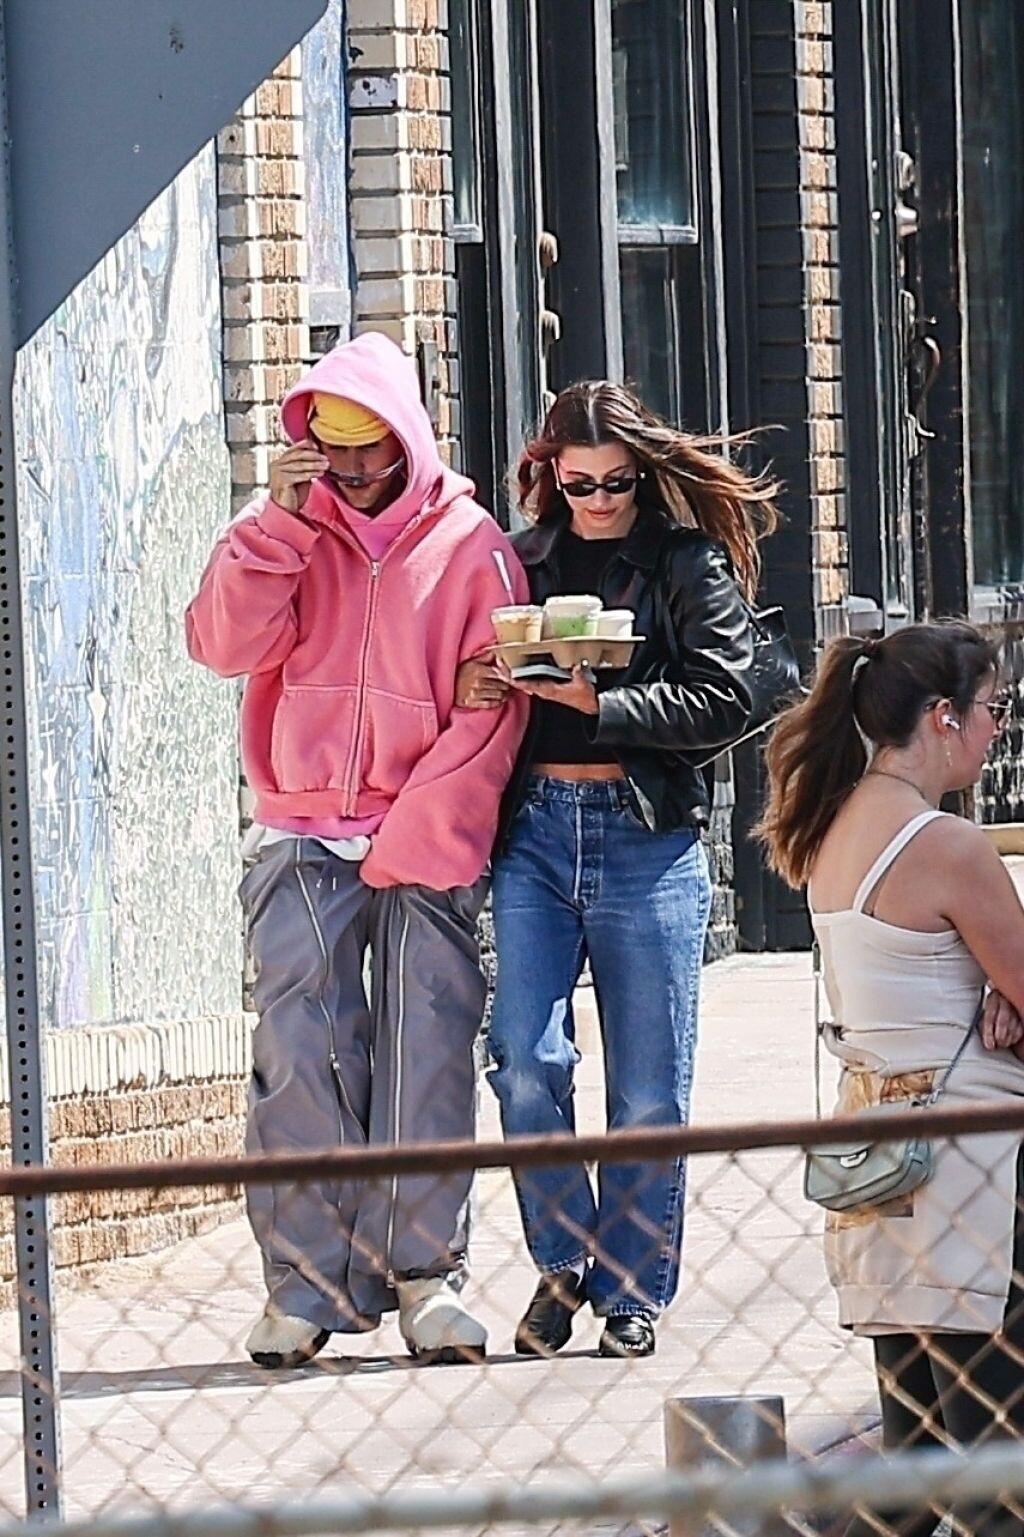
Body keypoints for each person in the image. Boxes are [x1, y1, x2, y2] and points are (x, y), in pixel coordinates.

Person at [186, 332, 528, 1369]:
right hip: (300, 829)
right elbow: (220, 646)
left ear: (408, 438)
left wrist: (418, 828)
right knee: (299, 1055)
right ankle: (303, 1287)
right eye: (330, 449)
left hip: (424, 829)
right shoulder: (285, 528)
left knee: (427, 1052)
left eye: (367, 449)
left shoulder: (472, 545)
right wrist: (277, 525)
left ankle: (426, 1278)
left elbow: (493, 708)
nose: (348, 469)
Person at [457, 380, 777, 1358]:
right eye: (580, 483)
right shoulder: (517, 561)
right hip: (534, 832)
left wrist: (603, 705)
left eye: (617, 483)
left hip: (645, 836)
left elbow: (734, 694)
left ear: (642, 475)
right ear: (547, 474)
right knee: (524, 1059)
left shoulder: (683, 563)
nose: (599, 501)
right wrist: (476, 681)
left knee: (648, 1090)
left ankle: (631, 1289)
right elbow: (458, 681)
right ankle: (563, 1259)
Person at [757, 622, 1024, 1537]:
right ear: (943, 716)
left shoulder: (834, 828)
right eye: (992, 709)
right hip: (977, 1177)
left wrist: (999, 989)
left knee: (914, 1454)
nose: (997, 729)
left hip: (880, 1164)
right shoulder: (947, 844)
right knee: (999, 1461)